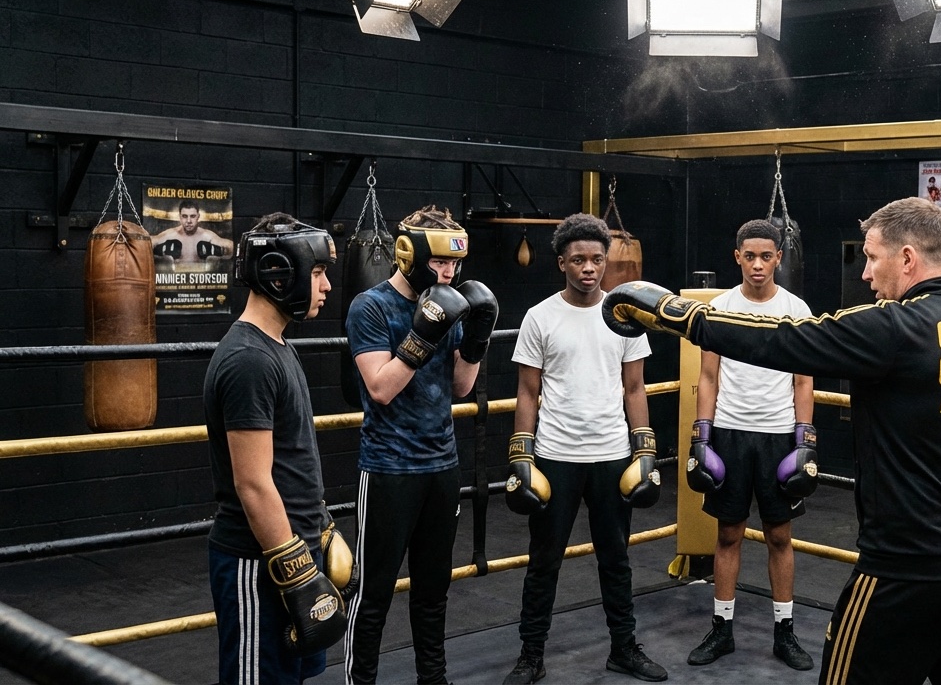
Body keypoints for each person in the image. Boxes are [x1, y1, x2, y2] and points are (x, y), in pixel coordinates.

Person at [601, 197, 941, 684]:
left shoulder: (895, 326)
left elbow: (785, 340)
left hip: (904, 571)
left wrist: (677, 315)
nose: (868, 274)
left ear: (908, 258)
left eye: (873, 258)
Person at [503, 213, 666, 684]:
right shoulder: (540, 317)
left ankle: (623, 648)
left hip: (612, 455)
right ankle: (531, 655)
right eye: (579, 260)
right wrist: (521, 456)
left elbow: (635, 389)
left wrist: (645, 451)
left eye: (597, 258)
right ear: (562, 263)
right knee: (544, 562)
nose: (589, 268)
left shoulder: (626, 315)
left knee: (616, 559)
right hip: (555, 456)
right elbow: (528, 392)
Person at [343, 205, 499, 685]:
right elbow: (380, 388)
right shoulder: (369, 307)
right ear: (409, 254)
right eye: (439, 263)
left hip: (441, 466)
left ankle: (433, 679)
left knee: (434, 592)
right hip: (389, 468)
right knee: (374, 593)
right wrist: (423, 331)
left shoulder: (446, 300)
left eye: (455, 264)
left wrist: (475, 338)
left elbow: (459, 388)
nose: (449, 273)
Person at [205, 214, 347, 684]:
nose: (326, 285)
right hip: (259, 562)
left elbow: (291, 459)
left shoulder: (276, 345)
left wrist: (320, 528)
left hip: (293, 548)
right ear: (280, 271)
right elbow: (252, 482)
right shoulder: (249, 359)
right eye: (319, 272)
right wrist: (298, 573)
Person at [686, 219, 816, 672]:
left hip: (779, 434)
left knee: (780, 535)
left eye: (767, 256)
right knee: (728, 533)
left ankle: (785, 632)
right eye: (750, 256)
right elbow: (708, 374)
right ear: (737, 256)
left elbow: (804, 379)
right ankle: (722, 629)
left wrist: (805, 439)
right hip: (729, 431)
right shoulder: (719, 307)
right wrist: (701, 434)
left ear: (779, 257)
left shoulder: (795, 308)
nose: (758, 265)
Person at [153, 199, 234, 263]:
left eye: (192, 216)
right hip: (176, 280)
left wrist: (219, 259)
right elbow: (149, 242)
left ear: (198, 216)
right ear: (180, 217)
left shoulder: (206, 235)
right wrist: (160, 258)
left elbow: (230, 245)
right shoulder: (171, 234)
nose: (189, 221)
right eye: (185, 216)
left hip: (200, 281)